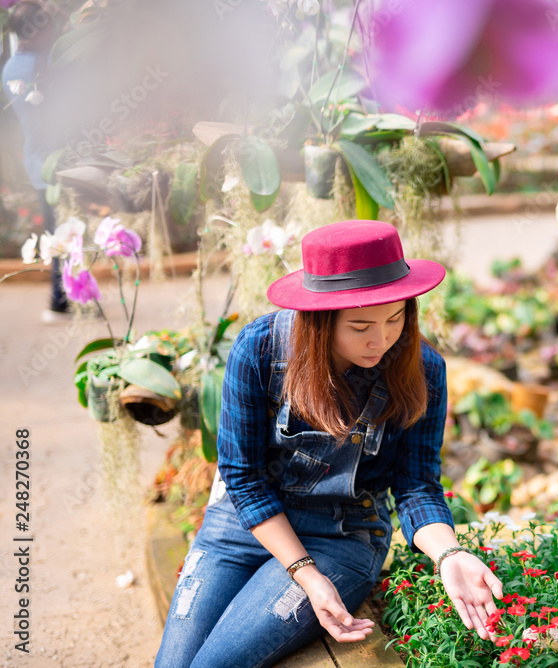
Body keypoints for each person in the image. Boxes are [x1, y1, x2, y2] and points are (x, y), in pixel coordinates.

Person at [155, 220, 504, 667]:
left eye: (395, 319)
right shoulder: (261, 350)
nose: (381, 340)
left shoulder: (423, 368)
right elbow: (242, 478)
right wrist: (304, 574)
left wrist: (449, 554)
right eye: (360, 326)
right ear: (319, 320)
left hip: (341, 535)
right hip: (242, 525)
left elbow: (417, 485)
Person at [1, 0, 70, 323]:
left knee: (60, 231)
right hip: (59, 163)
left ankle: (65, 295)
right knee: (66, 232)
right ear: (38, 29)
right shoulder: (48, 65)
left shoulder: (11, 67)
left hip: (38, 162)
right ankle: (59, 298)